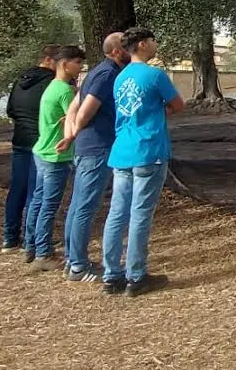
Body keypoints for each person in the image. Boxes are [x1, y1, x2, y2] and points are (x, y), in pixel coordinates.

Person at [101, 27, 185, 296]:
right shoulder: (154, 75)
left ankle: (111, 274)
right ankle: (136, 276)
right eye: (152, 40)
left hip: (122, 151)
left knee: (117, 213)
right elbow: (178, 104)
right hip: (148, 150)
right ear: (141, 45)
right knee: (140, 214)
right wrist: (159, 110)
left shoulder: (120, 77)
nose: (155, 43)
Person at [61, 32, 128, 282]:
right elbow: (84, 108)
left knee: (79, 204)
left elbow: (74, 105)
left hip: (88, 147)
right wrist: (76, 132)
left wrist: (71, 136)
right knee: (85, 207)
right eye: (128, 46)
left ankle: (72, 258)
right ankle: (78, 265)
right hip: (97, 148)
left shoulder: (96, 72)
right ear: (117, 52)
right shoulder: (107, 74)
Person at [27, 46, 85, 267]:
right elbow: (76, 119)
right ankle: (43, 254)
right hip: (56, 155)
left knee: (38, 201)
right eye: (77, 63)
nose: (80, 68)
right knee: (49, 205)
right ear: (64, 64)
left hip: (42, 151)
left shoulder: (53, 87)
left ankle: (31, 246)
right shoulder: (64, 91)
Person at [2, 48, 58, 252]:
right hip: (40, 141)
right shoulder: (53, 82)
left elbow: (10, 110)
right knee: (37, 191)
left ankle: (9, 237)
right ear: (49, 60)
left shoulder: (19, 81)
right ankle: (31, 239)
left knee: (17, 188)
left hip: (19, 139)